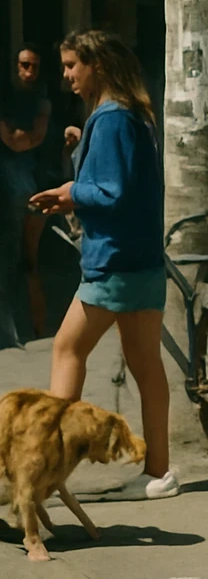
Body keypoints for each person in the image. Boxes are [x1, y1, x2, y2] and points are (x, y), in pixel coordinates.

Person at [29, 31, 178, 499]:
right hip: (140, 258)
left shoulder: (111, 118)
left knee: (67, 349)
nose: (67, 76)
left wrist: (71, 191)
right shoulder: (130, 114)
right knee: (145, 365)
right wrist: (81, 149)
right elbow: (119, 177)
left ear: (98, 65)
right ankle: (158, 470)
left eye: (73, 65)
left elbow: (111, 191)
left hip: (113, 261)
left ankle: (46, 470)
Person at [2, 44, 54, 336]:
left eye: (33, 66)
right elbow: (15, 140)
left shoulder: (42, 99)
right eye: (24, 65)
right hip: (13, 186)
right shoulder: (9, 99)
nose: (29, 72)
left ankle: (37, 327)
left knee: (29, 260)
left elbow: (27, 139)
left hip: (34, 186)